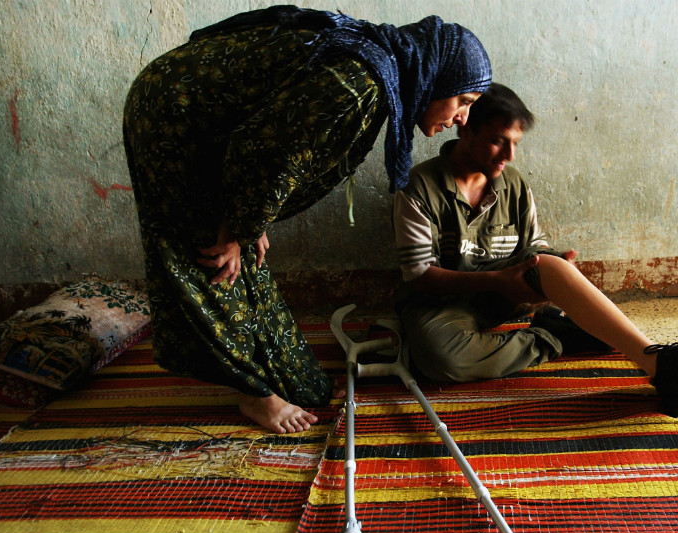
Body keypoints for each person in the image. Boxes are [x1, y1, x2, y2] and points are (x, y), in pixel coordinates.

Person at [123, 5, 492, 434]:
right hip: (173, 117)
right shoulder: (357, 87)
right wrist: (239, 226)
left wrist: (248, 224)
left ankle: (284, 375)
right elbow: (261, 155)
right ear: (434, 77)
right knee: (208, 254)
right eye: (463, 101)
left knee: (242, 248)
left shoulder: (381, 73)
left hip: (219, 133)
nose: (462, 119)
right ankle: (256, 395)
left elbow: (270, 147)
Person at [393, 83, 678, 418]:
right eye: (498, 141)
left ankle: (661, 364)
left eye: (515, 144)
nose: (509, 156)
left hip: (507, 293)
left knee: (550, 263)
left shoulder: (513, 183)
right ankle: (556, 337)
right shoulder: (417, 188)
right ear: (466, 131)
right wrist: (498, 280)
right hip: (442, 303)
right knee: (437, 359)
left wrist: (553, 264)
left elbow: (533, 245)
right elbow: (421, 276)